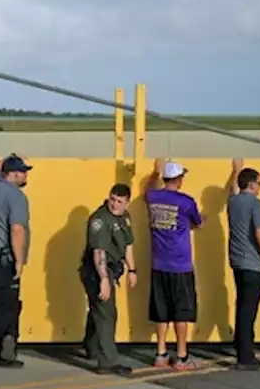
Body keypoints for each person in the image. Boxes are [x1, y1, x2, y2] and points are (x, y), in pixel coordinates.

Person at [145, 158, 204, 370]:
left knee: (161, 311)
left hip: (158, 263)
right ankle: (181, 356)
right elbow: (198, 222)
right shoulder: (186, 202)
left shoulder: (152, 197)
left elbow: (147, 188)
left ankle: (160, 354)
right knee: (181, 312)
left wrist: (154, 172)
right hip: (180, 265)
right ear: (179, 179)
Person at [0, 153, 32, 368]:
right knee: (6, 307)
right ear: (12, 174)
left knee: (0, 305)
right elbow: (17, 230)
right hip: (5, 260)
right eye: (21, 172)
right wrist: (19, 262)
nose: (25, 176)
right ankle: (1, 354)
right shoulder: (17, 197)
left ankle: (0, 350)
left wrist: (11, 157)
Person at [80, 183, 137, 376]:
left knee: (99, 309)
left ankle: (92, 346)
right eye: (112, 199)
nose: (114, 204)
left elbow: (128, 244)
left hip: (112, 269)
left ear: (127, 202)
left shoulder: (124, 217)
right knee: (107, 313)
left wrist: (132, 270)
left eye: (119, 202)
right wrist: (104, 278)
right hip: (96, 270)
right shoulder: (100, 219)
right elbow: (99, 252)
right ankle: (107, 361)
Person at [226, 157, 260, 371]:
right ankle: (246, 356)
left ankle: (241, 347)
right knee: (249, 310)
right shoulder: (256, 204)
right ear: (253, 184)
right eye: (259, 183)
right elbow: (259, 233)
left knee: (241, 306)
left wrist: (236, 170)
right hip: (252, 263)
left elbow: (232, 188)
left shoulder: (233, 201)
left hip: (236, 261)